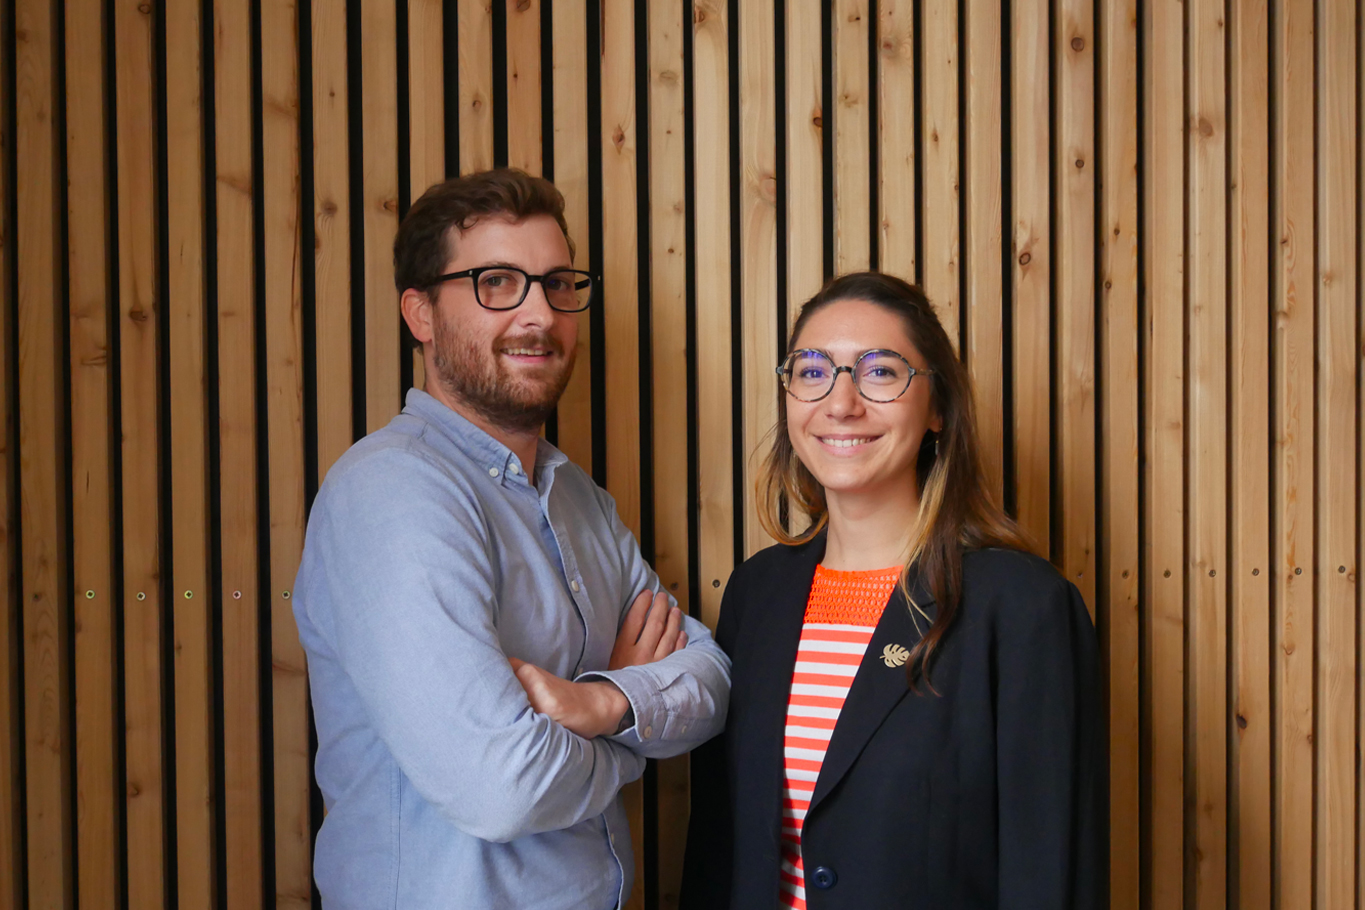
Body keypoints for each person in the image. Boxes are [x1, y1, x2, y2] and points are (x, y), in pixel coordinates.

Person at [292, 168, 730, 910]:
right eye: (496, 282)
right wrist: (630, 733)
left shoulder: (580, 497)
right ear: (421, 313)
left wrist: (598, 702)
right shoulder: (391, 491)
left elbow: (712, 681)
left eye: (556, 284)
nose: (539, 314)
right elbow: (504, 788)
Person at [680, 272, 1106, 909]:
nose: (841, 402)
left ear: (937, 408)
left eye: (879, 371)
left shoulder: (1022, 608)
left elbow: (1051, 873)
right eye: (812, 371)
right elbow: (719, 850)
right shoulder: (756, 594)